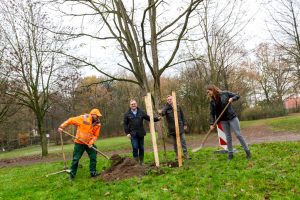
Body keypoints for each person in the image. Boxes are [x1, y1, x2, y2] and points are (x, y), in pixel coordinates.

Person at [207, 85, 251, 160]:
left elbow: (237, 95)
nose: (208, 93)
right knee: (228, 137)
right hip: (223, 120)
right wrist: (211, 123)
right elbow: (212, 113)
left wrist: (232, 98)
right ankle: (230, 154)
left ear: (213, 89)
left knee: (238, 134)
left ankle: (247, 151)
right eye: (207, 92)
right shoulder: (212, 102)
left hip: (232, 117)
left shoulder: (225, 93)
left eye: (209, 91)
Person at [58, 108, 102, 180]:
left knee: (93, 156)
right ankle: (72, 175)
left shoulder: (98, 124)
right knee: (76, 159)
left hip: (89, 144)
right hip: (79, 143)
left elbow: (95, 135)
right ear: (92, 114)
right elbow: (71, 120)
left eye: (98, 116)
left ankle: (93, 172)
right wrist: (62, 126)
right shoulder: (83, 118)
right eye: (97, 115)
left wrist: (91, 143)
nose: (98, 117)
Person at [123, 99, 160, 165]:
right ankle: (135, 162)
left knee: (141, 148)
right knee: (135, 147)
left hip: (141, 133)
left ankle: (141, 161)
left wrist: (157, 119)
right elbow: (125, 124)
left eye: (134, 104)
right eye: (132, 104)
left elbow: (149, 118)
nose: (133, 105)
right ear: (130, 105)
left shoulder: (141, 112)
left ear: (136, 104)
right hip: (133, 134)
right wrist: (127, 133)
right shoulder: (127, 114)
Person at [159, 95, 189, 160]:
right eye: (168, 100)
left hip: (180, 126)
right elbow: (162, 113)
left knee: (183, 140)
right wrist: (165, 108)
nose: (169, 100)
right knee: (175, 143)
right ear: (167, 101)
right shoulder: (166, 108)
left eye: (170, 99)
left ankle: (186, 154)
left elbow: (182, 116)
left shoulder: (178, 106)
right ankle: (177, 155)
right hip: (172, 128)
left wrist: (185, 124)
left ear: (173, 99)